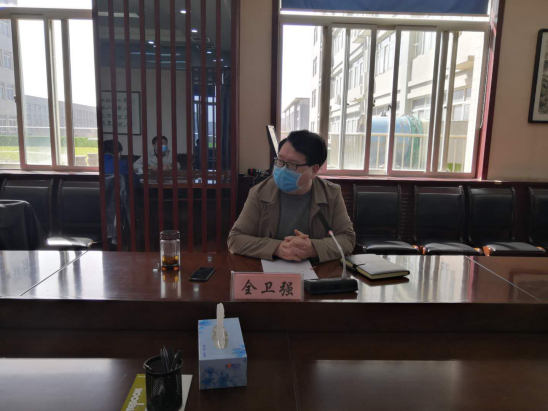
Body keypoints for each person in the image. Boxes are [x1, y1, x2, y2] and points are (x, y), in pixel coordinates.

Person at [228, 130, 355, 263]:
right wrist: (278, 248)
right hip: (270, 270)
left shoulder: (331, 194)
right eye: (280, 161)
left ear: (314, 170)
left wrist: (313, 248)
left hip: (317, 271)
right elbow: (235, 239)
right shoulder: (260, 192)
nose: (282, 169)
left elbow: (348, 239)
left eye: (292, 165)